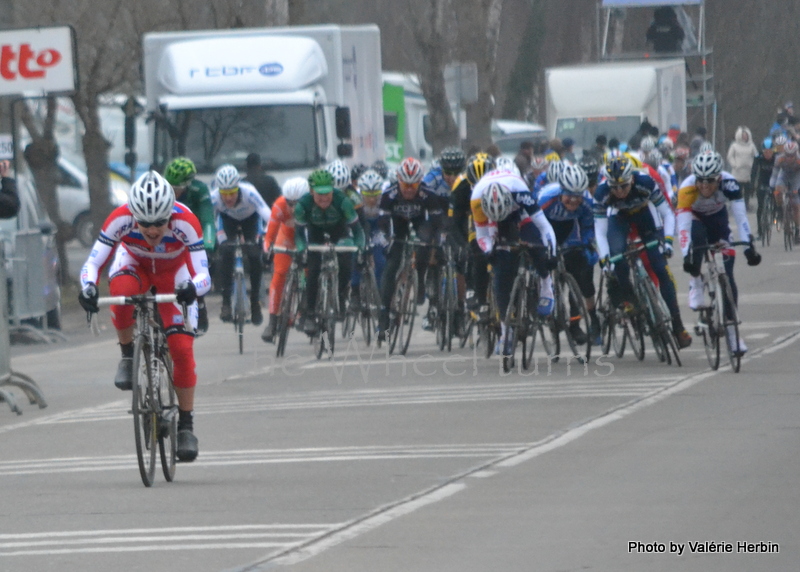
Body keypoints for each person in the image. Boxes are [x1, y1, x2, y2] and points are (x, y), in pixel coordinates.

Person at [78, 171, 208, 462]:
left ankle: (186, 426)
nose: (151, 230)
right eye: (144, 223)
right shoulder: (119, 219)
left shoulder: (186, 222)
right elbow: (94, 262)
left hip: (174, 274)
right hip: (134, 264)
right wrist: (87, 287)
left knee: (182, 350)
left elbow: (203, 275)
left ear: (170, 215)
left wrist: (192, 289)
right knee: (120, 290)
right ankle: (127, 355)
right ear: (133, 215)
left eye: (160, 222)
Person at [594, 156, 693, 348]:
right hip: (618, 218)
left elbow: (667, 213)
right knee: (617, 259)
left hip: (645, 215)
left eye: (623, 186)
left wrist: (668, 242)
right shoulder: (602, 192)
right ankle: (631, 301)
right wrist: (605, 259)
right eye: (614, 187)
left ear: (631, 179)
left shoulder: (645, 182)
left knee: (660, 267)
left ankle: (678, 326)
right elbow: (600, 230)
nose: (619, 191)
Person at [678, 151, 760, 355]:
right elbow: (683, 228)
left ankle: (733, 338)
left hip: (718, 221)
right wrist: (688, 255)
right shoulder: (687, 187)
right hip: (695, 220)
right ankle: (696, 282)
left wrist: (749, 247)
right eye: (701, 180)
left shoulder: (730, 183)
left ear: (719, 178)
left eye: (710, 181)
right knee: (695, 242)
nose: (705, 186)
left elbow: (741, 218)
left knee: (728, 278)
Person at [471, 167, 557, 355]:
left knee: (536, 247)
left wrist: (551, 253)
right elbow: (482, 235)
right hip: (494, 220)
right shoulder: (476, 199)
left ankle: (545, 284)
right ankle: (505, 331)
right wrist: (489, 250)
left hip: (520, 213)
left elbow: (544, 227)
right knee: (501, 273)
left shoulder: (520, 192)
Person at [378, 157, 448, 338]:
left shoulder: (428, 194)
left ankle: (420, 281)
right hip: (397, 224)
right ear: (399, 181)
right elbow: (382, 225)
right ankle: (384, 315)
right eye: (405, 184)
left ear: (419, 182)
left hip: (419, 223)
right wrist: (386, 242)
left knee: (425, 244)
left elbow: (438, 225)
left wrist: (438, 243)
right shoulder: (389, 194)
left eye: (413, 185)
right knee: (392, 264)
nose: (409, 189)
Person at [537, 164, 601, 345]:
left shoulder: (587, 202)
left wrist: (588, 244)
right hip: (544, 226)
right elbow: (534, 226)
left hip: (569, 229)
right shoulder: (546, 199)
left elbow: (588, 226)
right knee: (542, 263)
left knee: (576, 271)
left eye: (578, 196)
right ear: (561, 192)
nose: (574, 201)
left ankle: (574, 324)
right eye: (569, 196)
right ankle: (543, 298)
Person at [295, 169, 364, 335]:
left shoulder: (343, 201)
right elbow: (298, 235)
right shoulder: (302, 205)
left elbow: (358, 232)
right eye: (320, 194)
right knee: (313, 271)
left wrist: (360, 247)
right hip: (315, 234)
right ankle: (310, 314)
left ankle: (340, 296)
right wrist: (301, 249)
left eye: (328, 193)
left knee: (346, 264)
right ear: (311, 192)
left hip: (339, 232)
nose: (324, 198)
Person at [211, 164, 272, 326]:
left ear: (238, 188)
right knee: (225, 254)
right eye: (224, 193)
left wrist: (269, 233)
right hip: (227, 221)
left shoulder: (249, 192)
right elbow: (206, 220)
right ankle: (225, 303)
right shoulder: (214, 197)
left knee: (254, 256)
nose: (228, 198)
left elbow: (267, 214)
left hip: (251, 221)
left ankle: (255, 304)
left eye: (232, 192)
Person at [163, 157, 216, 334]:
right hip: (167, 234)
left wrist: (208, 245)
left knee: (197, 266)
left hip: (194, 234)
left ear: (187, 184)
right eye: (170, 187)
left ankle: (199, 305)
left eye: (177, 189)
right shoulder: (161, 190)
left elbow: (208, 220)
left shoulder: (199, 190)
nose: (173, 192)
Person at [261, 177, 309, 343]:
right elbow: (270, 235)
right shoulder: (280, 206)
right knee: (279, 274)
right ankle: (273, 321)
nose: (293, 208)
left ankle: (305, 312)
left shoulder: (313, 205)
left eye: (298, 203)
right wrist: (267, 250)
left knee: (309, 272)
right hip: (286, 237)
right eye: (290, 203)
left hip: (307, 237)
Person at [726, 126, 758, 210]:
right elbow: (730, 156)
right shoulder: (734, 146)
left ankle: (746, 204)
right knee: (737, 189)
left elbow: (756, 156)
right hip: (737, 171)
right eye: (743, 135)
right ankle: (736, 205)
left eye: (746, 135)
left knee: (747, 189)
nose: (744, 137)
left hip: (748, 171)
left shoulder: (751, 145)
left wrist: (754, 166)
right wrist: (734, 165)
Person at [751, 137, 776, 239]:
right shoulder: (758, 158)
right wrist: (752, 186)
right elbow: (754, 172)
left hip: (774, 181)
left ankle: (775, 214)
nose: (767, 154)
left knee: (776, 199)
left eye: (770, 152)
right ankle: (760, 231)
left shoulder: (777, 158)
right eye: (765, 152)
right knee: (760, 207)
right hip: (762, 181)